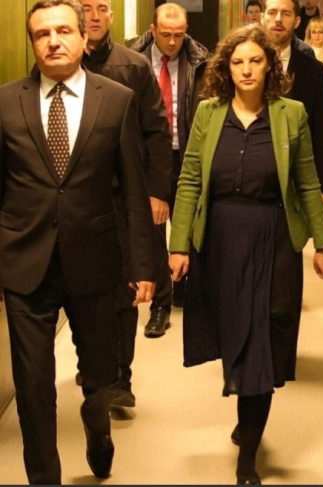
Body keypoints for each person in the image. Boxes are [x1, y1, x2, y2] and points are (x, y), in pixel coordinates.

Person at [0, 0, 156, 483]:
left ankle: (96, 422)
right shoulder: (6, 102)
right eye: (42, 34)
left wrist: (142, 265)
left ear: (84, 37)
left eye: (63, 31)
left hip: (96, 259)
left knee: (100, 375)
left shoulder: (116, 99)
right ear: (33, 43)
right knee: (33, 386)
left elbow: (133, 189)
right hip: (25, 262)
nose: (53, 41)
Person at [168, 24, 323, 484]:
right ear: (226, 68)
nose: (246, 70)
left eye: (255, 61)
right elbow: (190, 179)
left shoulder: (290, 113)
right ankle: (246, 409)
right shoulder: (208, 113)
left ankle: (249, 454)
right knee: (233, 331)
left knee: (264, 337)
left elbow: (307, 182)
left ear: (269, 66)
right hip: (219, 238)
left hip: (272, 237)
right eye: (237, 62)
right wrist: (178, 244)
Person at [80, 0, 172, 407]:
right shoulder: (62, 66)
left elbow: (156, 131)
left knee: (124, 289)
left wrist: (157, 191)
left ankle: (121, 378)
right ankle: (93, 366)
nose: (93, 16)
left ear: (112, 16)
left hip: (122, 196)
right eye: (85, 8)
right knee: (84, 288)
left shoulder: (133, 66)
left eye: (101, 8)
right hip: (78, 199)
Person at [127, 2, 210, 323]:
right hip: (147, 156)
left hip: (186, 152)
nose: (173, 42)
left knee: (188, 224)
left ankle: (184, 286)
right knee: (153, 229)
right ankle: (160, 304)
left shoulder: (201, 61)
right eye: (165, 35)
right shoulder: (132, 60)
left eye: (178, 35)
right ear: (152, 31)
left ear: (186, 30)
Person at [262, 0, 323, 207]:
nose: (278, 19)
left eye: (286, 14)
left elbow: (321, 130)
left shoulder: (314, 71)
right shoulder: (243, 64)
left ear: (297, 21)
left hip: (295, 177)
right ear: (262, 18)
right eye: (272, 12)